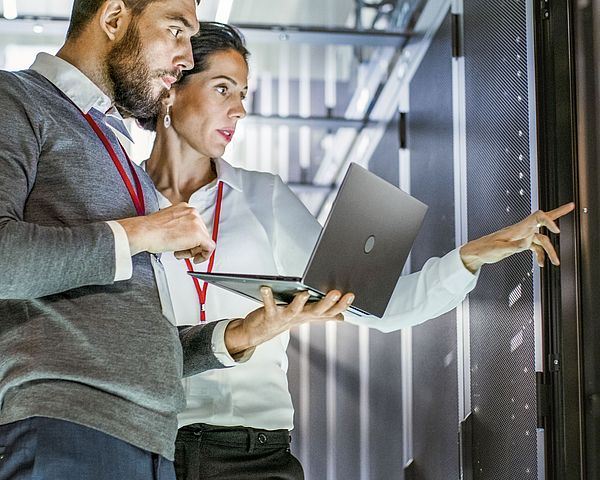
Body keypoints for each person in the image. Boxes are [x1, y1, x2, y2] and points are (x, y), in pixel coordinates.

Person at [140, 22, 574, 480]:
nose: (240, 109)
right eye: (223, 89)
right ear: (171, 86)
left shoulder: (262, 196)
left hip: (251, 454)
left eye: (243, 93)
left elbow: (376, 307)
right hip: (143, 444)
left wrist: (470, 257)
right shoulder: (119, 199)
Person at [0, 3, 352, 480]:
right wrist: (148, 231)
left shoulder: (117, 152)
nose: (186, 56)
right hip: (68, 427)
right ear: (114, 17)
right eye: (175, 30)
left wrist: (241, 334)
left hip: (151, 442)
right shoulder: (15, 99)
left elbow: (140, 344)